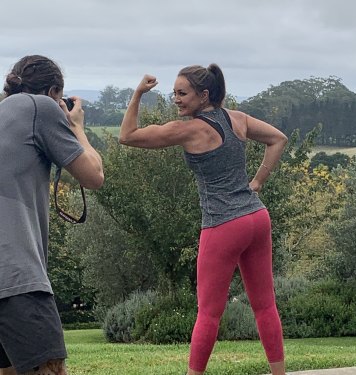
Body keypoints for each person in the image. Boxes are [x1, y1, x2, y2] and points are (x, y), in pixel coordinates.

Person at [119, 63, 288, 375]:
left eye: (182, 93)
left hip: (223, 225)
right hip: (257, 217)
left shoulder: (190, 129)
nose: (176, 99)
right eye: (174, 93)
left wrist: (138, 93)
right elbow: (278, 139)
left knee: (209, 313)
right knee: (265, 305)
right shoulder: (237, 119)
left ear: (204, 95)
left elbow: (127, 136)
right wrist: (258, 182)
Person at [0, 55, 104, 375]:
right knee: (50, 369)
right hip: (16, 275)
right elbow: (93, 175)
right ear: (54, 91)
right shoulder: (40, 107)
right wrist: (76, 127)